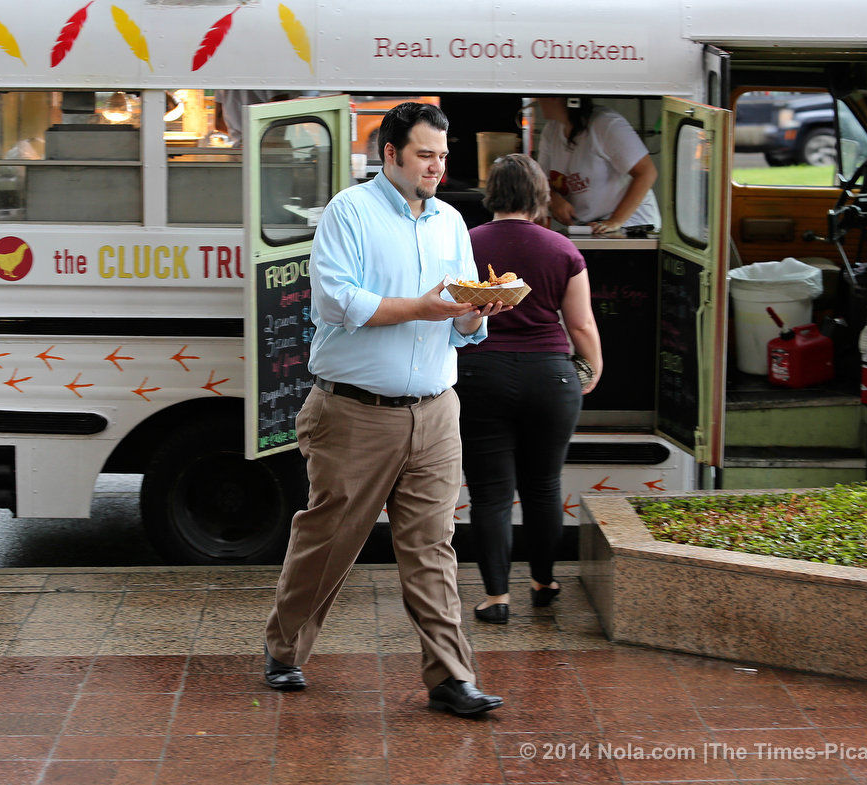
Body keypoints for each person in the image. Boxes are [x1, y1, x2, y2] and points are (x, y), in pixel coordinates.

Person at [263, 102, 507, 717]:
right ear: (390, 154)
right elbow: (337, 300)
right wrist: (423, 308)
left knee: (432, 546)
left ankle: (451, 679)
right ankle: (285, 649)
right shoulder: (350, 211)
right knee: (330, 540)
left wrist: (477, 312)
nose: (437, 167)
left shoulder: (452, 220)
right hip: (354, 413)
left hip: (436, 410)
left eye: (443, 156)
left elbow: (455, 318)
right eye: (425, 155)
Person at [456, 153, 602, 624]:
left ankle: (497, 598)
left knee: (491, 494)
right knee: (543, 487)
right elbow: (579, 324)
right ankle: (544, 582)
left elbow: (450, 311)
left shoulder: (466, 244)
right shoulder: (562, 250)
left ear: (492, 194)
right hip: (551, 377)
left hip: (481, 374)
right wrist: (592, 370)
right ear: (540, 196)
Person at [537, 96, 660, 236]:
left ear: (556, 98)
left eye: (540, 95)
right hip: (591, 227)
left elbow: (647, 172)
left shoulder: (606, 124)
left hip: (633, 225)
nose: (537, 100)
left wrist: (615, 221)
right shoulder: (551, 131)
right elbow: (541, 181)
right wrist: (555, 200)